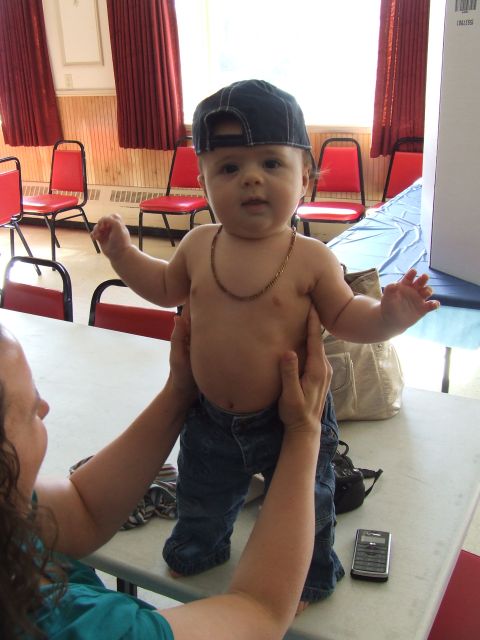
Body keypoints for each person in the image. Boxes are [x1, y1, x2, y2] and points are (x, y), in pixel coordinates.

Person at [92, 79, 439, 607]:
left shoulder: (312, 258)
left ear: (306, 178)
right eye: (229, 168)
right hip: (209, 416)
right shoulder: (197, 244)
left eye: (272, 163)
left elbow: (347, 317)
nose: (251, 178)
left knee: (307, 503)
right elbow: (163, 288)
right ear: (204, 182)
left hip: (289, 419)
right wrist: (122, 254)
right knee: (200, 494)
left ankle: (308, 575)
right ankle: (199, 550)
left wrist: (390, 317)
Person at [0, 309, 331, 640]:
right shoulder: (85, 629)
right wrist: (304, 431)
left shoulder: (9, 507)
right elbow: (259, 611)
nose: (44, 407)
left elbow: (82, 507)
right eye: (29, 412)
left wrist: (180, 390)